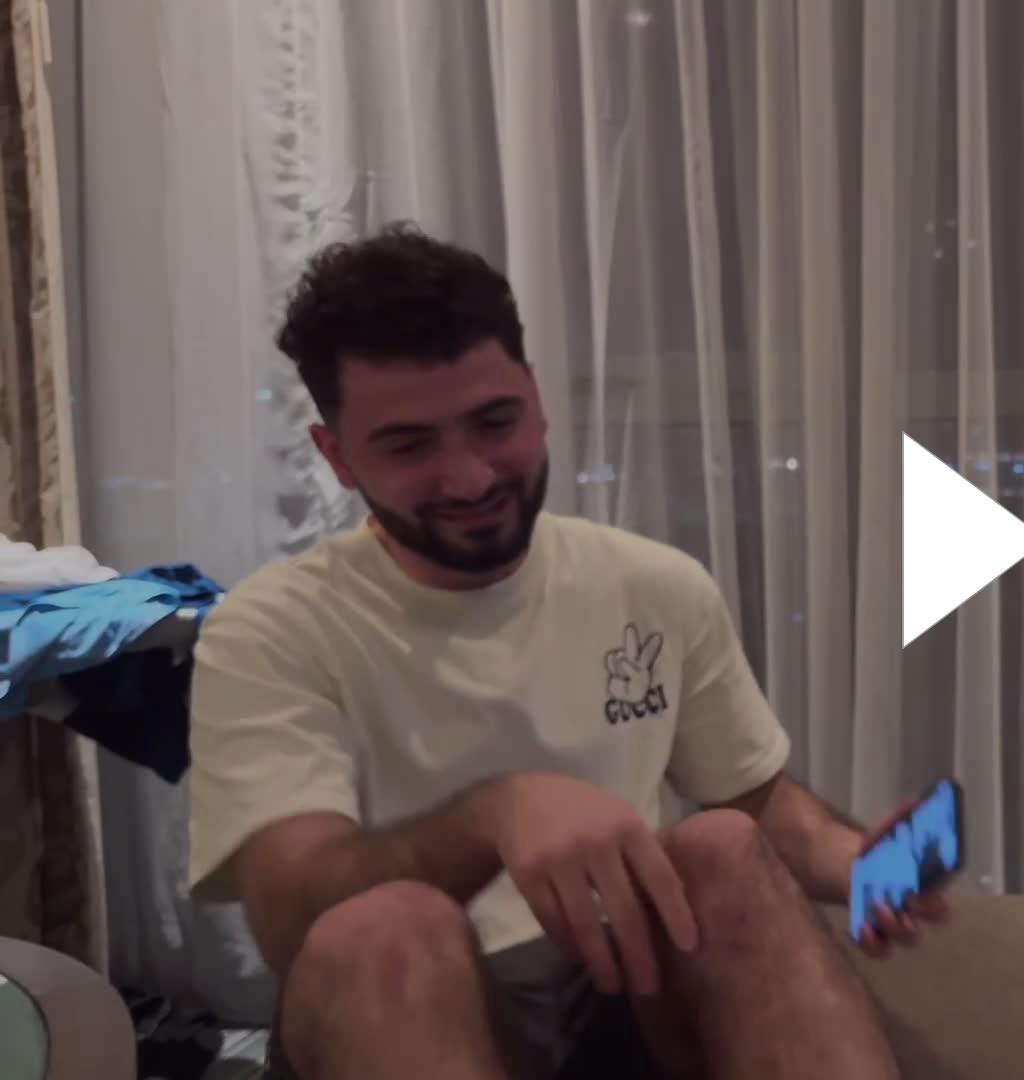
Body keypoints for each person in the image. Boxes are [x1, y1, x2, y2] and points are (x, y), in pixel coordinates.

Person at [185, 225, 945, 1080]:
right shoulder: (271, 628)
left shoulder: (653, 585)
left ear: (537, 400)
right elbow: (293, 919)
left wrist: (859, 864)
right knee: (386, 930)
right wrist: (493, 817)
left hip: (626, 997)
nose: (471, 478)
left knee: (723, 847)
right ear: (337, 457)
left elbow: (758, 798)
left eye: (494, 422)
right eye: (410, 446)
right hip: (403, 1012)